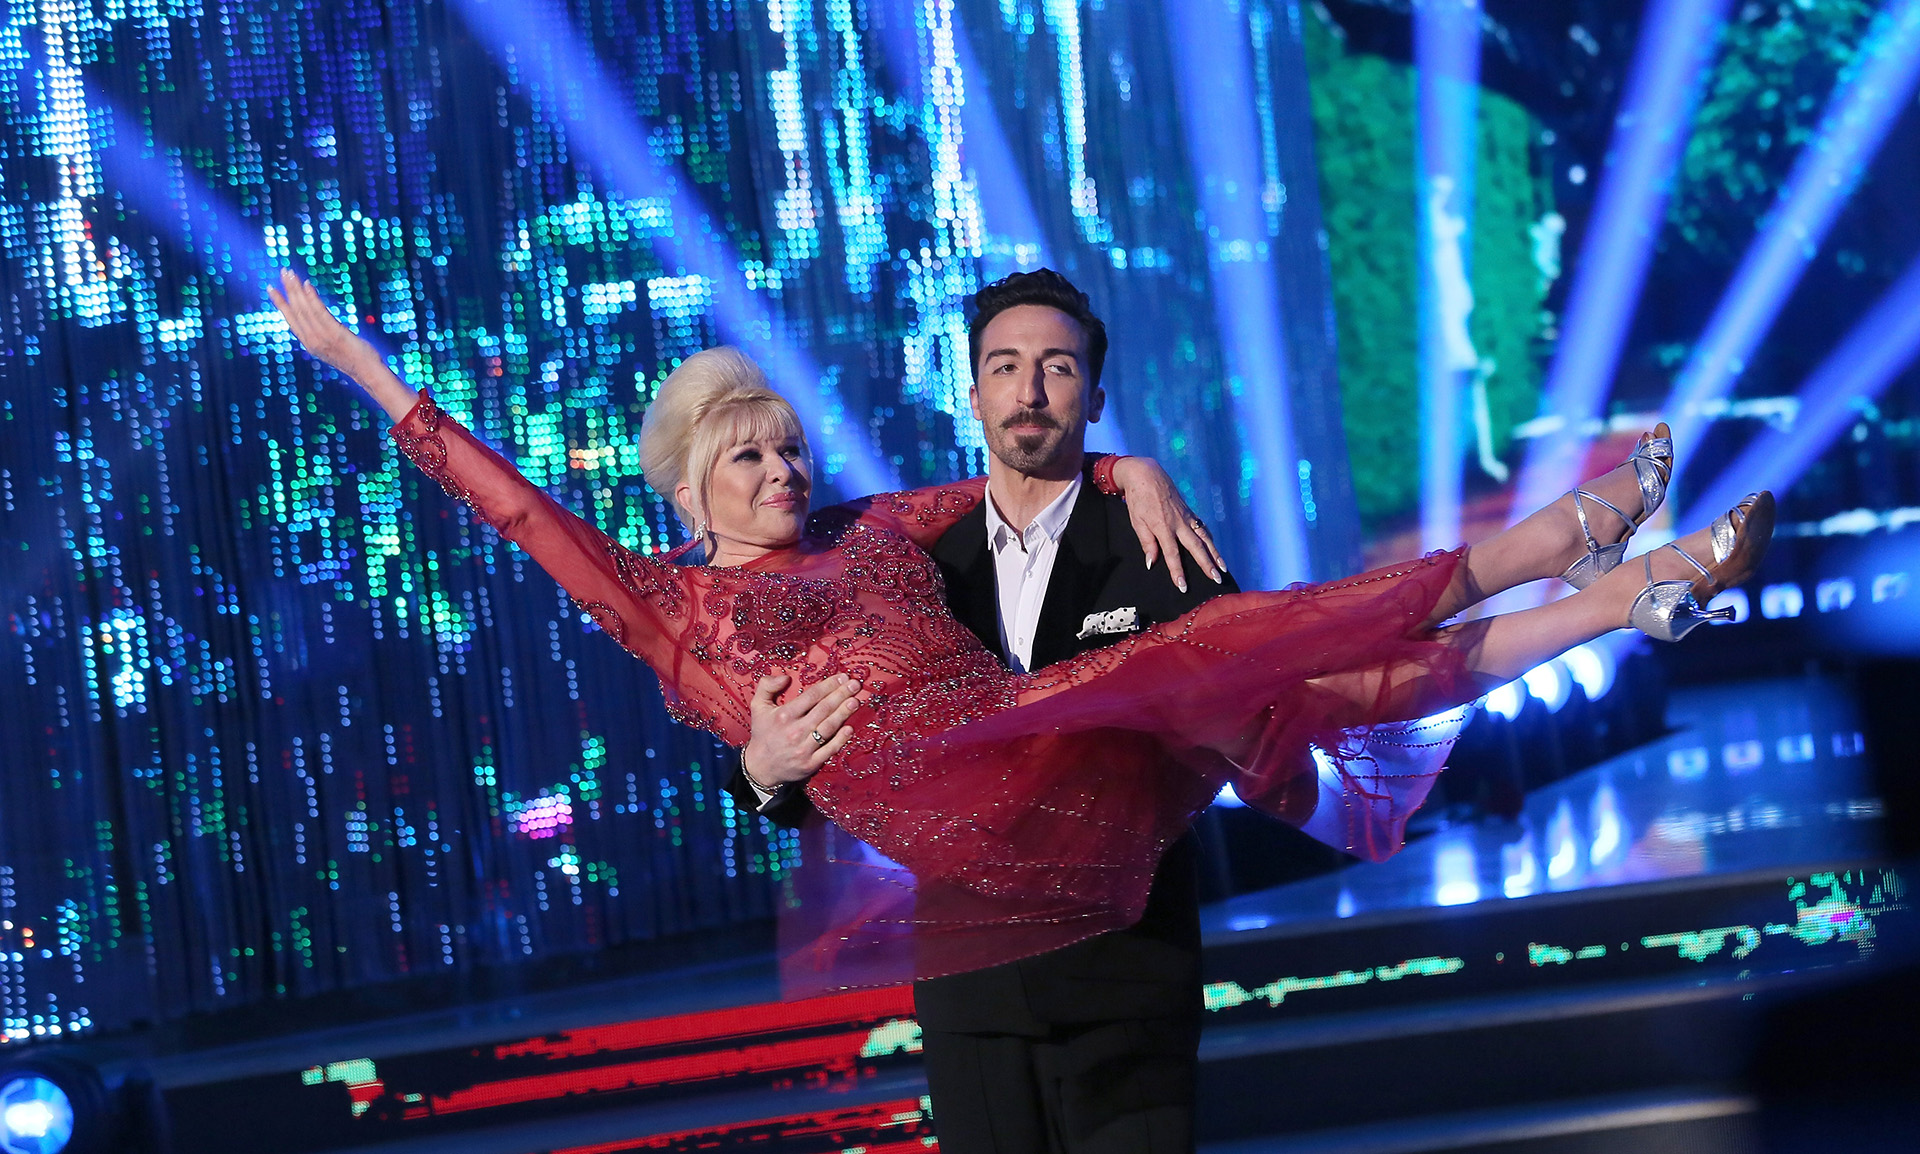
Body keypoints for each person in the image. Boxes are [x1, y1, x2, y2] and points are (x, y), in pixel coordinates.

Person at [266, 258, 1772, 1040]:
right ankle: (1574, 537)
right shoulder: (665, 603)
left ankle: (1631, 596)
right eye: (753, 462)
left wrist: (1132, 472)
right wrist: (353, 365)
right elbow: (513, 506)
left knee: (1284, 674)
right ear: (687, 487)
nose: (787, 472)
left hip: (1041, 735)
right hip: (960, 782)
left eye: (790, 449)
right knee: (1229, 648)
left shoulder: (869, 525)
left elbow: (1024, 476)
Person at [728, 269, 1274, 1151]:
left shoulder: (1157, 541)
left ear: (1094, 397)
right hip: (971, 992)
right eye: (1006, 366)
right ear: (972, 394)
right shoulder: (909, 568)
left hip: (1126, 980)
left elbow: (1246, 711)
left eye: (1057, 368)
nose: (1029, 391)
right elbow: (801, 760)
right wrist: (762, 773)